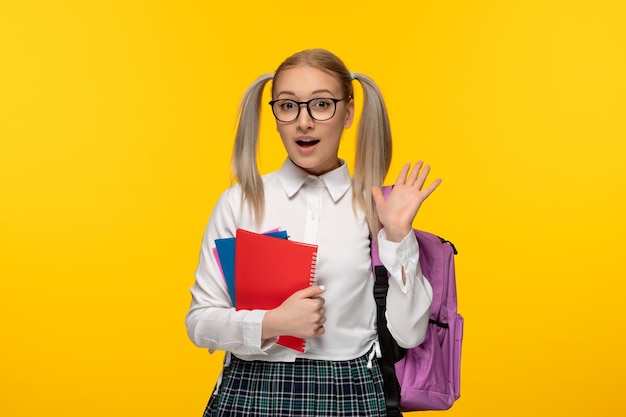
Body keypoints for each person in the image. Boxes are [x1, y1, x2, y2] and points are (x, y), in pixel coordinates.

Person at [185, 48, 441, 417]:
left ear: (348, 112)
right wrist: (272, 323)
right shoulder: (240, 202)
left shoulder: (375, 208)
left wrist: (399, 235)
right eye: (288, 106)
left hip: (351, 391)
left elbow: (409, 335)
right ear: (275, 116)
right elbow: (200, 322)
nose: (304, 122)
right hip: (252, 390)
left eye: (321, 105)